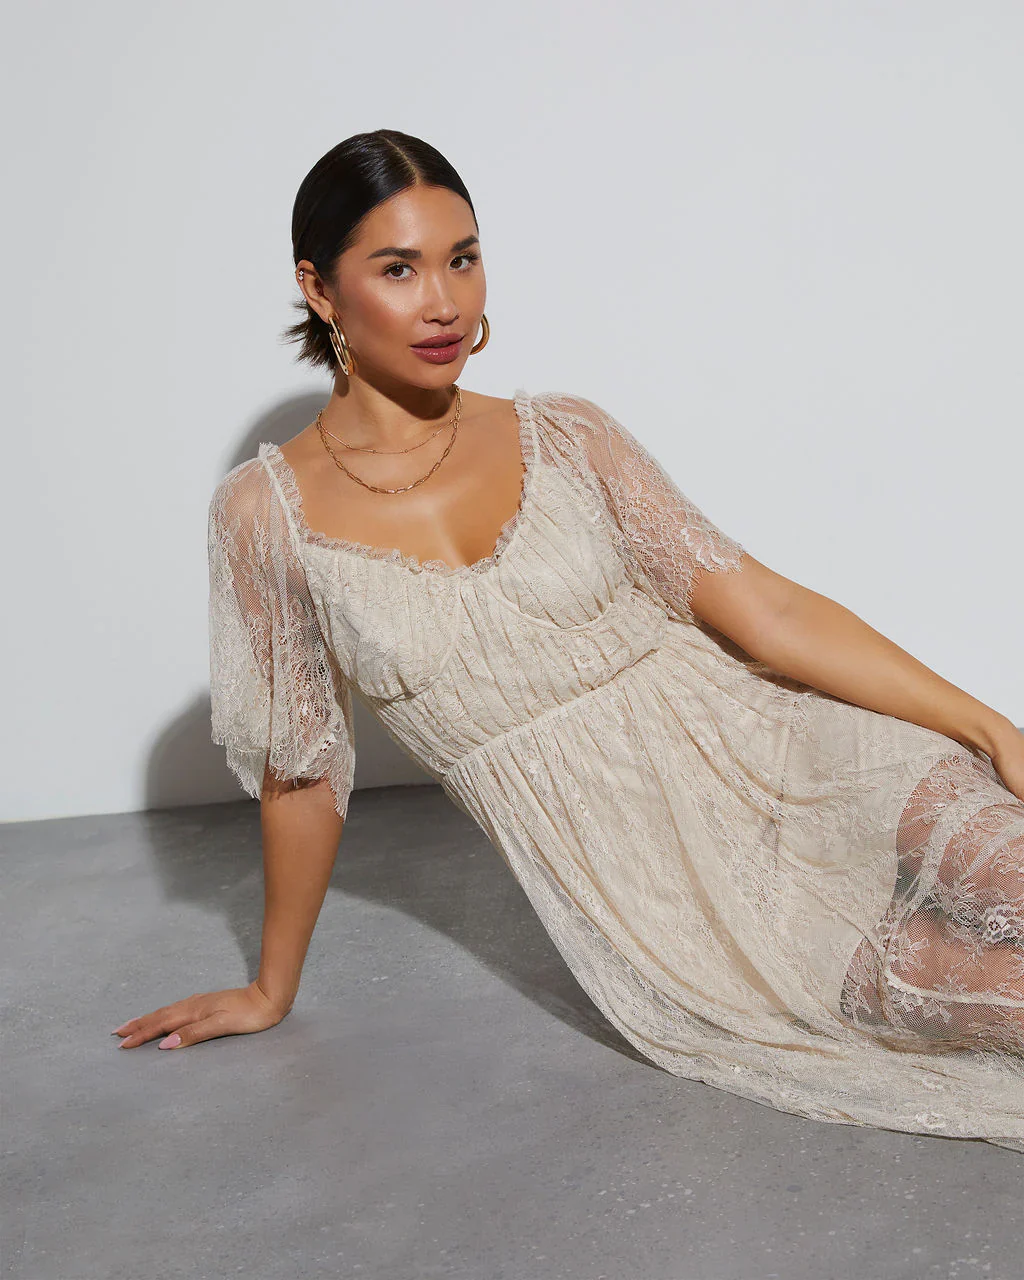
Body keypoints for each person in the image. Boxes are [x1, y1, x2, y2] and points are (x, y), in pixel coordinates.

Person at [114, 130, 1024, 1153]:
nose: (444, 302)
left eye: (462, 258)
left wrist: (988, 726)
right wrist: (270, 986)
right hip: (664, 899)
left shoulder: (568, 434)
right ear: (319, 288)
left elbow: (762, 610)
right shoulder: (264, 515)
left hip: (793, 754)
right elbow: (303, 769)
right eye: (398, 269)